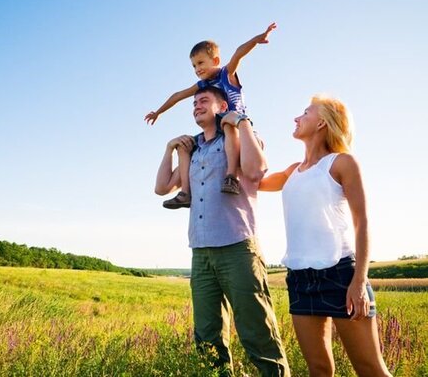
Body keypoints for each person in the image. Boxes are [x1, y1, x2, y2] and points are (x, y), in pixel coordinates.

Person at [154, 86, 290, 377]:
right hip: (201, 252)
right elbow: (162, 187)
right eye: (193, 104)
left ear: (222, 106)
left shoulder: (238, 139)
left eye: (203, 100)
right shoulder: (194, 150)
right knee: (207, 337)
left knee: (257, 331)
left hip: (237, 247)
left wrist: (241, 122)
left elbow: (256, 172)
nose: (196, 106)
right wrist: (169, 149)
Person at [259, 95, 392, 377]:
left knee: (370, 370)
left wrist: (359, 281)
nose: (297, 118)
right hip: (299, 278)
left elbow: (363, 222)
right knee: (319, 369)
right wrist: (242, 130)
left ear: (321, 122)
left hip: (341, 275)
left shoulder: (342, 163)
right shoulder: (291, 171)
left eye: (305, 113)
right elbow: (251, 180)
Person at [147, 23, 276, 209]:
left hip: (234, 122)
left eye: (200, 63)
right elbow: (177, 96)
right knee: (185, 146)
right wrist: (158, 112)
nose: (197, 69)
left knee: (227, 124)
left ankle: (230, 176)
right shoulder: (202, 85)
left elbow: (238, 53)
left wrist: (257, 39)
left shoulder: (226, 74)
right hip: (215, 128)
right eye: (193, 66)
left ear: (215, 61)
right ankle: (185, 192)